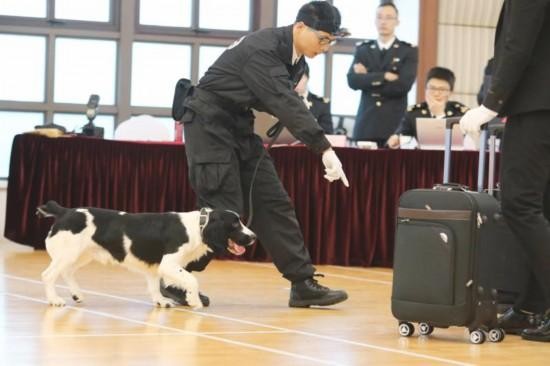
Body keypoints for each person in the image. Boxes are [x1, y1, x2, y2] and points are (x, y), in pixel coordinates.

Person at [161, 1, 350, 308]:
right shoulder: (263, 49)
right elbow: (282, 100)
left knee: (273, 200)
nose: (326, 47)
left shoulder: (298, 60)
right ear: (300, 27)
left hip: (238, 125)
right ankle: (174, 278)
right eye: (323, 38)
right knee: (224, 211)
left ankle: (302, 283)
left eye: (332, 41)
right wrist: (323, 147)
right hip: (208, 123)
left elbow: (279, 102)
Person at [460, 0, 550, 342]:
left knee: (520, 204)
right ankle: (531, 306)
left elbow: (518, 42)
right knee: (542, 208)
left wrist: (491, 103)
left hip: (536, 107)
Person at [347, 2, 418, 147]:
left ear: (397, 22)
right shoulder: (363, 49)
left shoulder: (408, 51)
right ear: (374, 20)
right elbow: (352, 81)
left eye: (388, 17)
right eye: (379, 17)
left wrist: (367, 77)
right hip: (366, 122)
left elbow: (403, 86)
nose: (383, 21)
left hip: (394, 124)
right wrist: (384, 76)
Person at [387, 66, 468, 149]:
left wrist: (439, 114)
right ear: (425, 89)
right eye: (432, 88)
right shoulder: (414, 113)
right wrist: (396, 140)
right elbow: (401, 134)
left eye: (442, 89)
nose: (436, 93)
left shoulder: (460, 113)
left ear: (450, 93)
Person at [295, 63, 334, 134]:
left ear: (307, 78)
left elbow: (328, 132)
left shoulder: (321, 103)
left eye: (299, 78)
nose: (295, 82)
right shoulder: (281, 101)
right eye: (292, 78)